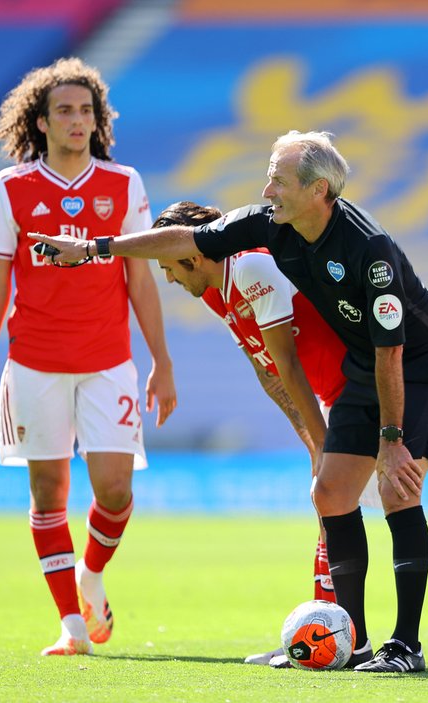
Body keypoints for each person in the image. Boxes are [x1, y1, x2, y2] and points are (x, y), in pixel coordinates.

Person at [31, 130, 428, 673]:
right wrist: (95, 249)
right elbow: (185, 241)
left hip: (420, 363)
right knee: (330, 494)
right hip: (364, 361)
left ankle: (406, 646)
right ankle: (353, 640)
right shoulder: (266, 225)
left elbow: (391, 353)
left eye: (278, 179)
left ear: (318, 190)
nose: (267, 188)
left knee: (397, 491)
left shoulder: (368, 250)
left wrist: (393, 442)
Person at [0, 57, 177, 656]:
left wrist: (161, 359)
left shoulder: (124, 183)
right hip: (33, 362)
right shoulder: (12, 187)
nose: (78, 120)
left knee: (113, 490)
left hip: (109, 361)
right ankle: (72, 626)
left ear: (97, 120)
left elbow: (140, 277)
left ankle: (92, 574)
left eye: (87, 110)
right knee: (48, 492)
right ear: (43, 122)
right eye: (65, 111)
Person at [149, 201, 380, 667]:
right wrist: (308, 436)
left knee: (337, 505)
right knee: (328, 506)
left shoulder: (253, 265)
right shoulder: (215, 290)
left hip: (359, 389)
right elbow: (267, 368)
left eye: (169, 267)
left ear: (193, 256)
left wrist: (321, 440)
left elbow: (289, 363)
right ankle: (329, 634)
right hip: (329, 399)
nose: (169, 280)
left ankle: (345, 638)